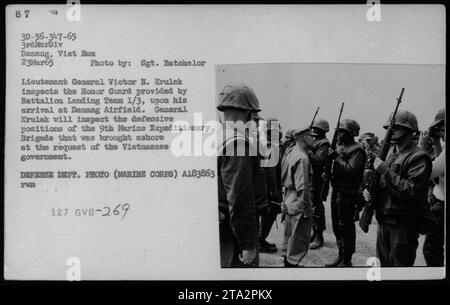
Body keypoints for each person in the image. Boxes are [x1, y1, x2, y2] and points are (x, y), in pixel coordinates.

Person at [363, 110, 432, 267]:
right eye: (389, 128)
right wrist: (369, 192)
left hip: (403, 225)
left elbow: (411, 190)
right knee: (384, 266)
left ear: (410, 130)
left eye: (396, 127)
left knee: (400, 269)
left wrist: (385, 171)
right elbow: (381, 183)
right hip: (384, 219)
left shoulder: (419, 157)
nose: (390, 131)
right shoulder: (389, 154)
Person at [217, 84, 262, 268]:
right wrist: (248, 244)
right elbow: (240, 200)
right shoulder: (239, 144)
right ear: (249, 114)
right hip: (232, 234)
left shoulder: (215, 137)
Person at [325, 119, 366, 267]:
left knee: (345, 226)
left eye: (343, 132)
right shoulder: (341, 147)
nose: (339, 134)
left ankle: (347, 259)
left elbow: (351, 171)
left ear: (351, 134)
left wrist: (336, 157)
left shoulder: (358, 150)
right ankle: (341, 255)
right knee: (336, 225)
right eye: (339, 131)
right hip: (337, 191)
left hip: (347, 194)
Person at [281, 127, 314, 267]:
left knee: (289, 240)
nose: (313, 139)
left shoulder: (291, 153)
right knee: (297, 245)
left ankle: (288, 265)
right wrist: (306, 209)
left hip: (288, 198)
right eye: (311, 136)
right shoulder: (303, 158)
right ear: (305, 138)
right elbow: (303, 188)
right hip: (298, 202)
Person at [420, 109, 445, 266]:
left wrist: (422, 147)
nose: (441, 134)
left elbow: (427, 172)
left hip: (442, 205)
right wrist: (436, 143)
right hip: (440, 199)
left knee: (431, 249)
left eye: (442, 130)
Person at [259, 117, 283, 253]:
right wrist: (273, 190)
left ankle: (260, 239)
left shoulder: (267, 144)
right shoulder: (270, 146)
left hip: (266, 187)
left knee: (267, 215)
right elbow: (271, 170)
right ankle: (260, 240)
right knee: (270, 214)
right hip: (270, 188)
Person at [308, 119, 330, 250]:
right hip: (311, 178)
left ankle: (319, 236)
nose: (314, 130)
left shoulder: (324, 144)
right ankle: (314, 231)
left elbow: (318, 161)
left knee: (317, 207)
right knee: (311, 206)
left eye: (317, 128)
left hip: (317, 180)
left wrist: (308, 150)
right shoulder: (316, 141)